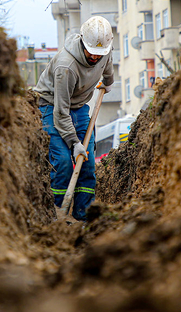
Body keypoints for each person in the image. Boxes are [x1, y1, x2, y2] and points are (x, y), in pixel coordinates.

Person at [34, 16, 115, 221]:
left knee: (87, 165)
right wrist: (74, 143)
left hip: (79, 108)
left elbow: (107, 68)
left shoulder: (103, 52)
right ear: (83, 43)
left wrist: (108, 82)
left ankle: (83, 215)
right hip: (51, 106)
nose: (95, 58)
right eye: (92, 53)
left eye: (100, 54)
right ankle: (58, 214)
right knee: (62, 163)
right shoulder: (66, 66)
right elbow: (60, 113)